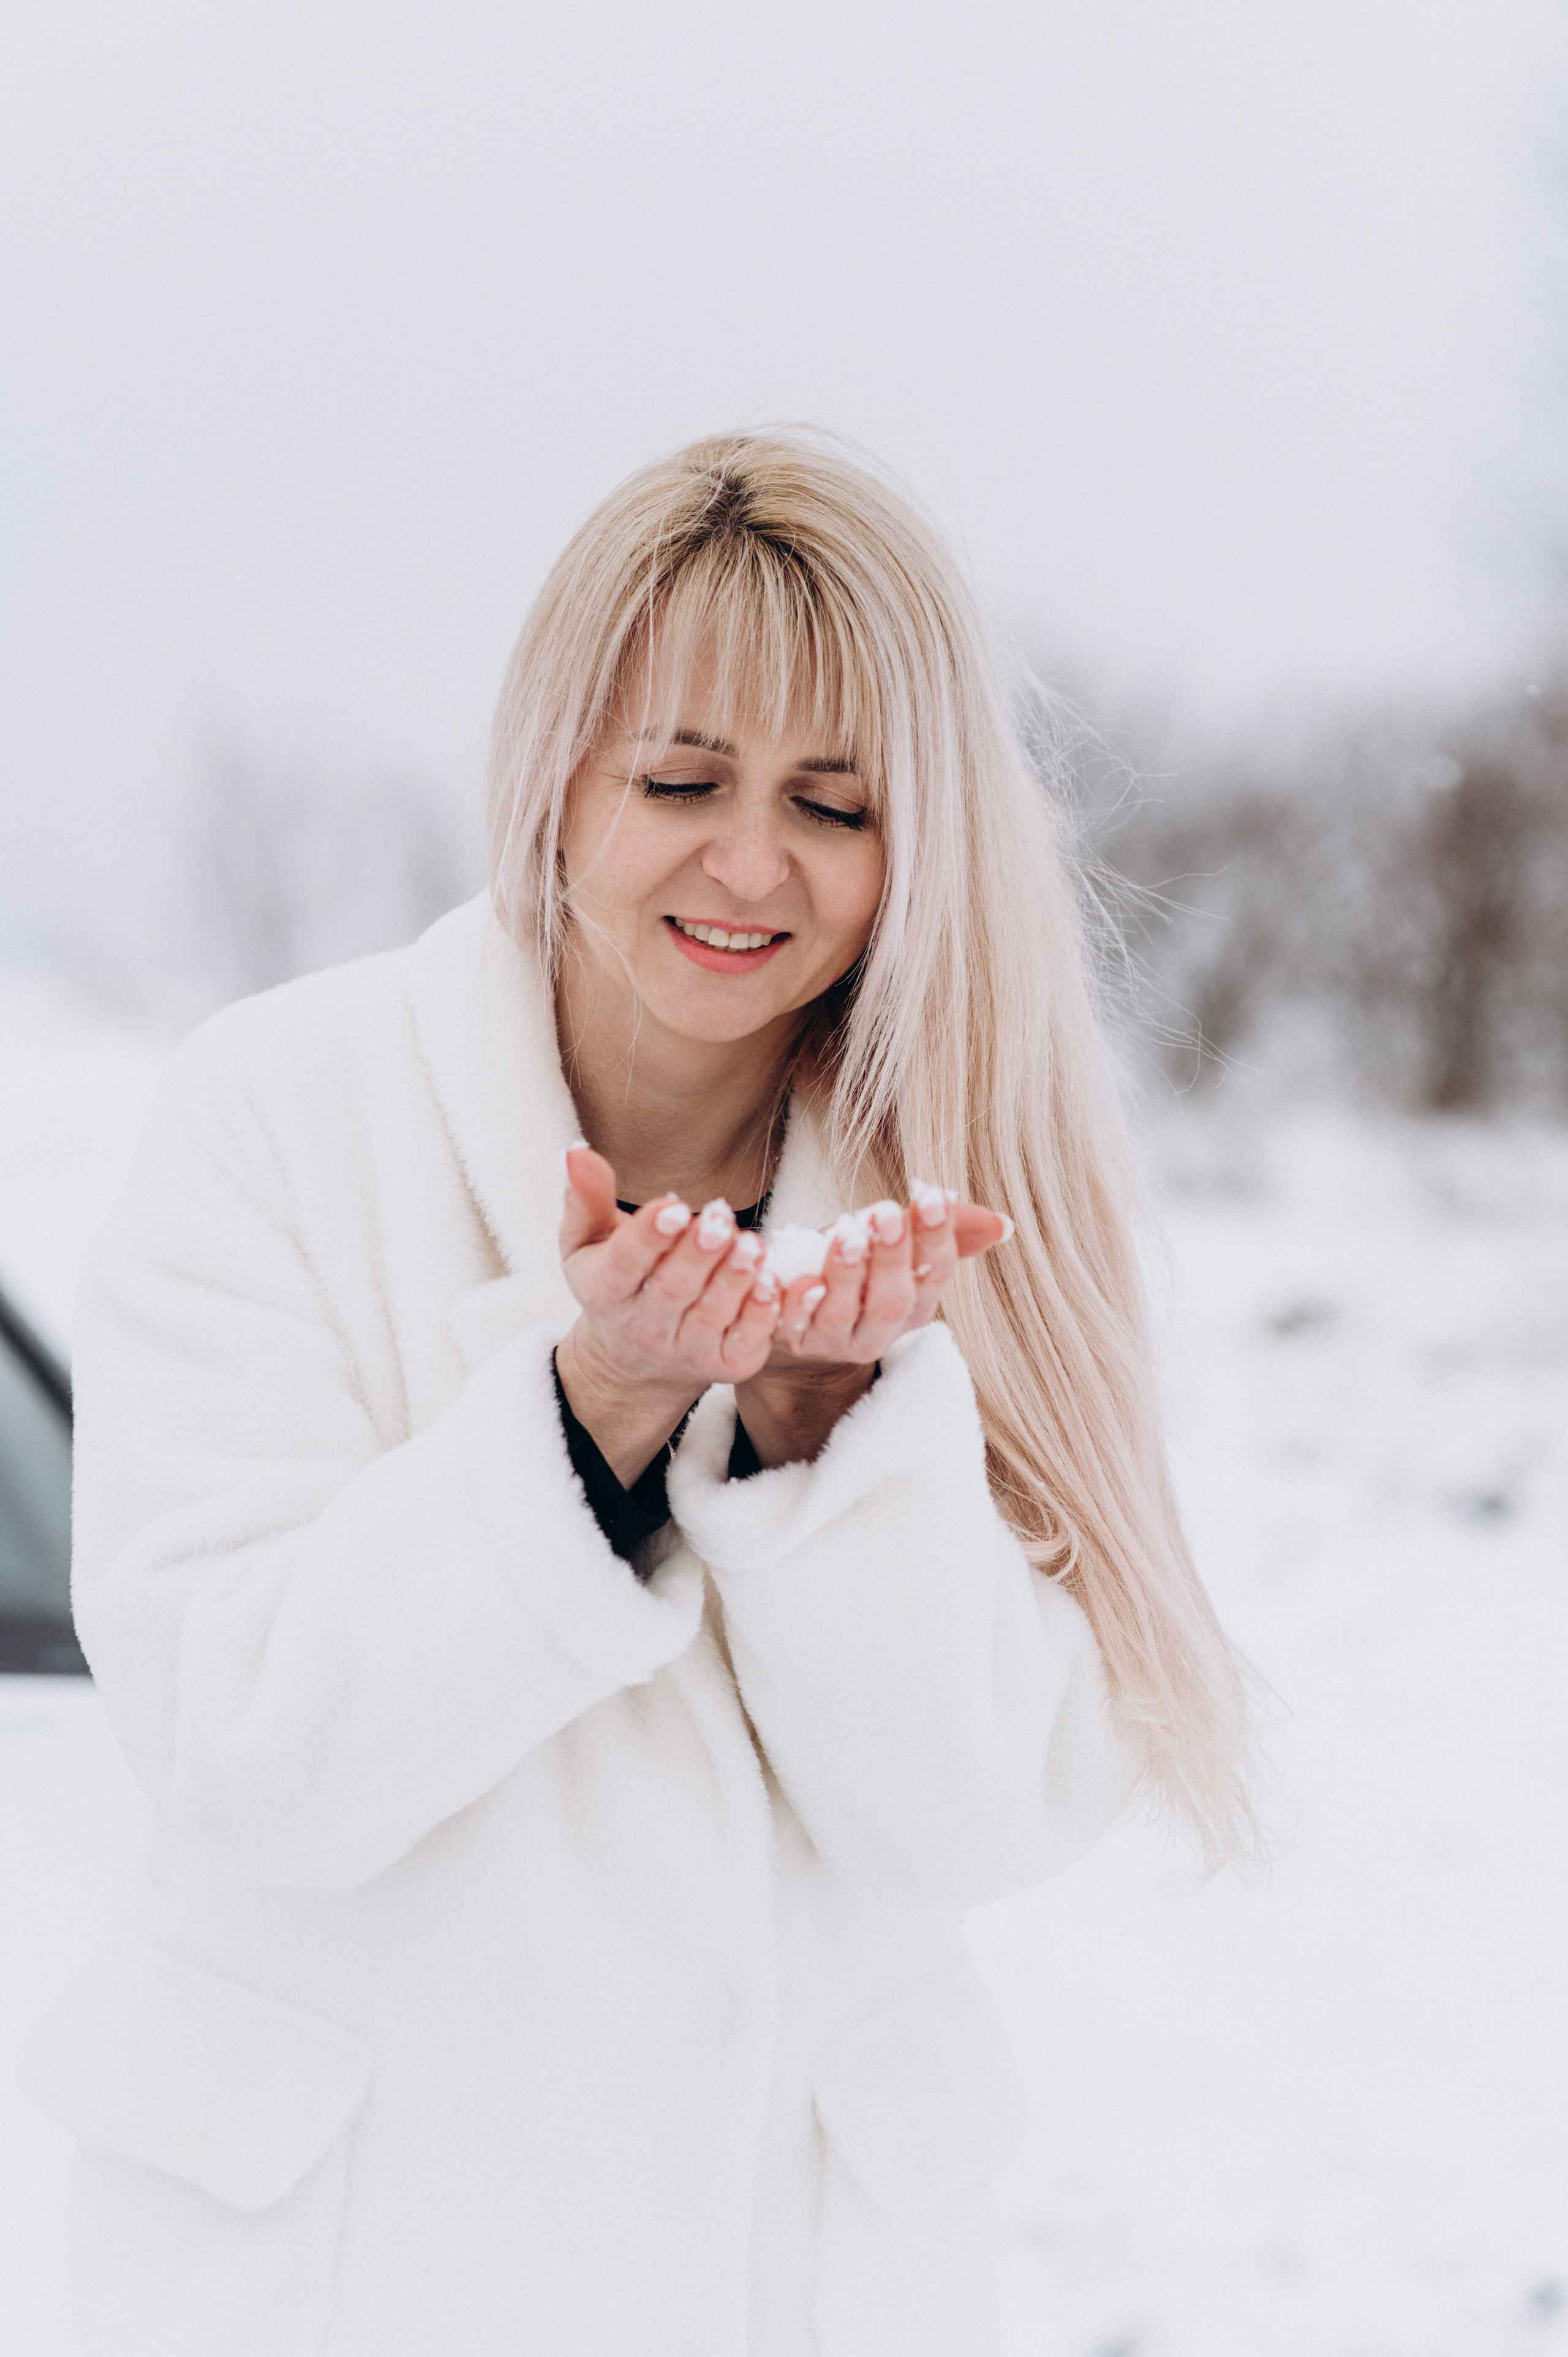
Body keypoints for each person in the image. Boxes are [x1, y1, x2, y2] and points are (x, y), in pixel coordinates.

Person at [21, 429, 1261, 2357]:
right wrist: (587, 1412)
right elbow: (238, 1745)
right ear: (556, 778)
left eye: (833, 808)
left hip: (801, 2287)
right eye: (681, 778)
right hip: (331, 2279)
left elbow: (983, 1819)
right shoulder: (279, 1114)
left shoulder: (968, 1184)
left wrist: (824, 1436)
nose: (748, 865)